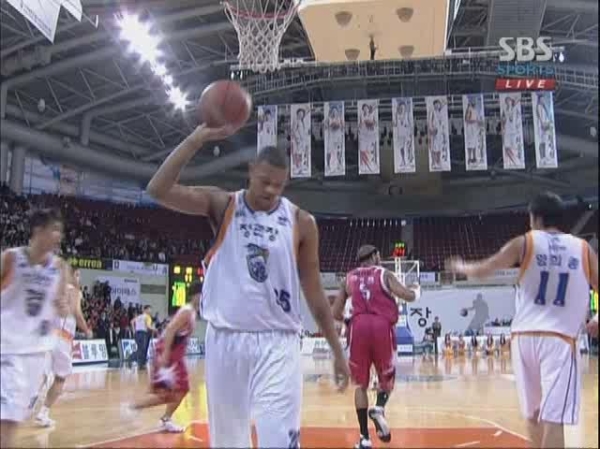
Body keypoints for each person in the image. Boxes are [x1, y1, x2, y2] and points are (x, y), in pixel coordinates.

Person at [146, 123, 350, 448]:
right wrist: (197, 138)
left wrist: (337, 351)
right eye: (264, 181)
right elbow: (158, 189)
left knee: (279, 440)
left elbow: (315, 295)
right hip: (225, 340)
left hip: (278, 343)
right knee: (229, 443)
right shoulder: (223, 204)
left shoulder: (302, 222)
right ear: (251, 171)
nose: (270, 190)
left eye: (278, 185)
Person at [447, 191, 598, 449]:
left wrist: (461, 266)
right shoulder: (583, 248)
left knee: (533, 415)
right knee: (554, 420)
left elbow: (484, 269)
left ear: (535, 218)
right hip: (560, 340)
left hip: (524, 338)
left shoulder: (525, 242)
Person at [332, 245, 420, 449]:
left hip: (358, 328)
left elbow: (335, 312)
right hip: (381, 327)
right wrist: (416, 289)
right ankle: (379, 407)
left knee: (360, 385)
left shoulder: (349, 278)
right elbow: (407, 295)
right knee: (386, 377)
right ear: (374, 256)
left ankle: (364, 438)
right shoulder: (384, 274)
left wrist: (349, 321)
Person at [0, 208, 70, 448]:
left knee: (15, 415)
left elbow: (62, 308)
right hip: (8, 348)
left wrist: (62, 306)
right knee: (7, 416)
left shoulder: (59, 267)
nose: (59, 236)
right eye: (54, 229)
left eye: (60, 231)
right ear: (38, 230)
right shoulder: (11, 258)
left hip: (37, 352)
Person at [122, 281, 202, 432]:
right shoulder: (187, 311)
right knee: (167, 393)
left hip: (174, 356)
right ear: (196, 295)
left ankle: (163, 417)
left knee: (180, 389)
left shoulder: (192, 312)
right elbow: (170, 329)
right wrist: (165, 354)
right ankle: (134, 407)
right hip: (168, 354)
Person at [35, 266, 93, 427]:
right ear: (71, 275)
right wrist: (87, 330)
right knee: (60, 378)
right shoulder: (74, 290)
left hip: (47, 334)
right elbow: (77, 313)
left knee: (43, 373)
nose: (79, 278)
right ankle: (43, 412)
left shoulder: (53, 288)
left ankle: (27, 402)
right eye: (78, 274)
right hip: (62, 337)